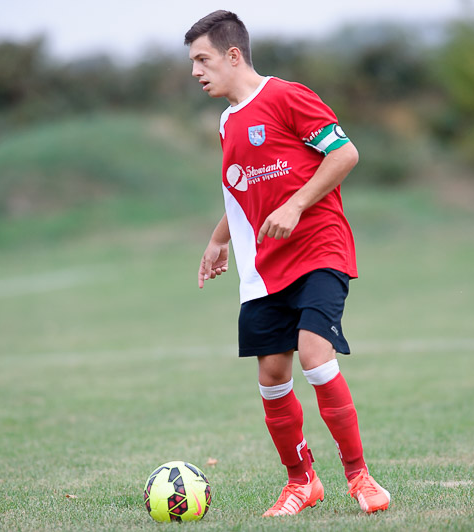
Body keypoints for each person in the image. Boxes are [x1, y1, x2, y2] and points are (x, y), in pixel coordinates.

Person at [185, 10, 391, 517]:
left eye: (203, 59)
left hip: (320, 249)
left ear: (234, 55)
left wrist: (296, 205)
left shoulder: (286, 96)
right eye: (192, 62)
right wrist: (218, 240)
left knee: (315, 357)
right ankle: (302, 483)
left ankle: (360, 477)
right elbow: (240, 189)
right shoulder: (228, 122)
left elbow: (344, 154)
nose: (195, 71)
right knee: (272, 378)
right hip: (264, 268)